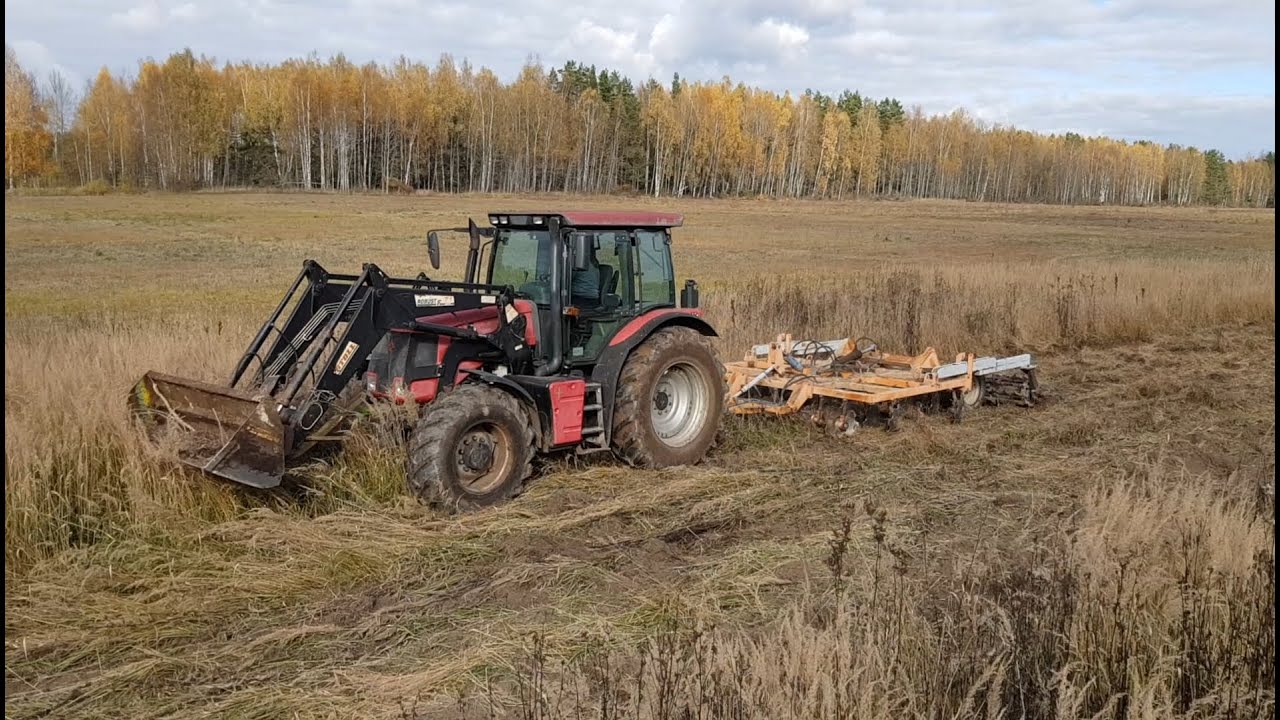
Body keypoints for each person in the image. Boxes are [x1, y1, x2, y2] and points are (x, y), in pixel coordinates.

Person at [570, 237, 601, 308]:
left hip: (582, 299)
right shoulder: (593, 263)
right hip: (592, 299)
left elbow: (567, 279)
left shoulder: (580, 264)